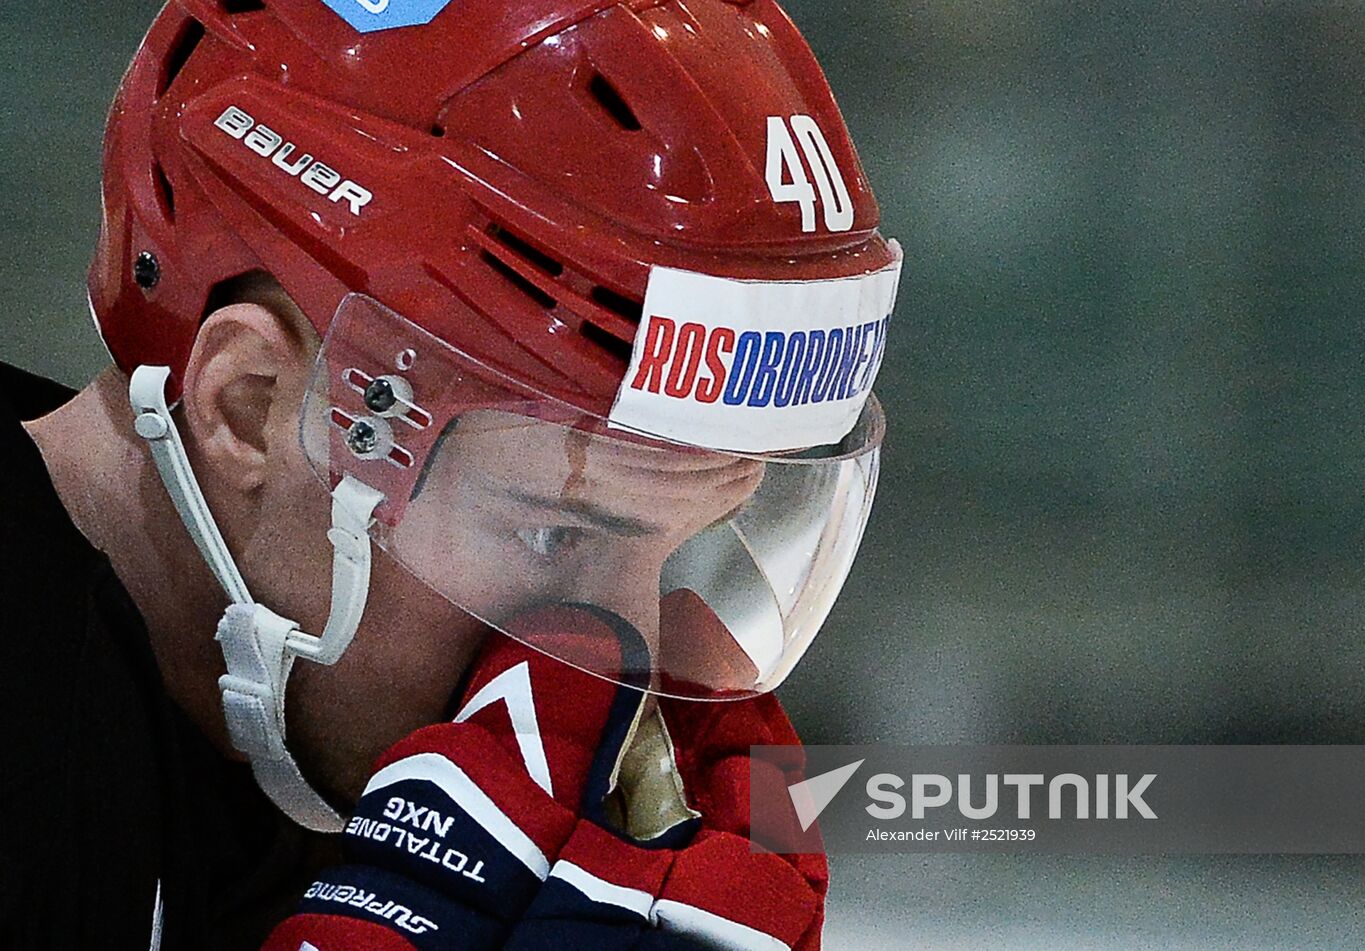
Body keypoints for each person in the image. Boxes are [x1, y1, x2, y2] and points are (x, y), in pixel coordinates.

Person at [0, 0, 901, 948]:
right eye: (555, 532)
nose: (624, 657)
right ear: (251, 407)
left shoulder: (306, 766)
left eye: (697, 539)